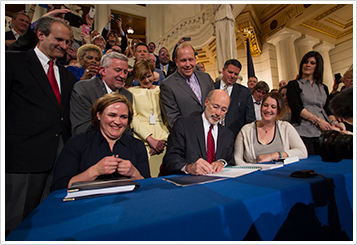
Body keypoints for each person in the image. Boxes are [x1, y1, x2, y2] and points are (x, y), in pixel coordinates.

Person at [5, 16, 77, 235]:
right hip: (22, 158)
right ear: (40, 35)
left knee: (47, 220)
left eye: (67, 42)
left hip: (57, 157)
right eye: (59, 39)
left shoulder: (67, 75)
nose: (63, 46)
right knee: (16, 221)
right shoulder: (13, 62)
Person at [51, 93, 151, 191]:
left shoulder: (137, 145)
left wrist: (134, 173)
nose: (118, 121)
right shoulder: (78, 142)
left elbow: (148, 188)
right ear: (98, 115)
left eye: (123, 117)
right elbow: (58, 186)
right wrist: (95, 171)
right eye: (112, 115)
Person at [163, 89, 235, 175]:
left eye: (223, 110)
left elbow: (230, 162)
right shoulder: (183, 125)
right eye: (215, 107)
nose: (218, 113)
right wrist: (188, 167)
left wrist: (222, 163)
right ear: (206, 102)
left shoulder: (228, 134)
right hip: (190, 182)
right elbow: (170, 159)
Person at [286, 51, 343, 155]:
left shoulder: (323, 87)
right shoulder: (293, 84)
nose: (308, 65)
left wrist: (334, 123)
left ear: (317, 67)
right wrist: (318, 120)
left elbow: (327, 108)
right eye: (305, 62)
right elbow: (296, 107)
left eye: (312, 63)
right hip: (304, 129)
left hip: (324, 131)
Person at [234, 92, 307, 165]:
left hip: (280, 173)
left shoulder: (286, 128)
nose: (268, 110)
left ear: (279, 111)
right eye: (265, 105)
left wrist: (272, 156)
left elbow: (302, 152)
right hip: (254, 174)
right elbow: (237, 158)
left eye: (273, 107)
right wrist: (249, 170)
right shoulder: (246, 130)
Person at [70, 52, 132, 135]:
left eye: (125, 72)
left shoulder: (127, 95)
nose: (123, 76)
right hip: (91, 144)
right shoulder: (84, 89)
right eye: (118, 70)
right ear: (103, 71)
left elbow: (127, 130)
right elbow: (81, 129)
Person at [128, 60, 169, 177]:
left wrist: (162, 140)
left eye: (149, 76)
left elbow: (168, 117)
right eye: (142, 78)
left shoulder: (162, 90)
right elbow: (133, 118)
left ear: (153, 73)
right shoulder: (131, 93)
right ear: (136, 77)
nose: (147, 80)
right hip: (142, 142)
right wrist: (150, 140)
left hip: (163, 142)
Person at [160, 43, 215, 129]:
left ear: (195, 59)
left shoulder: (205, 77)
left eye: (190, 59)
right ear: (176, 62)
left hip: (211, 130)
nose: (188, 64)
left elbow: (214, 103)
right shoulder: (167, 85)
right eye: (183, 60)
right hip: (188, 136)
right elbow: (173, 119)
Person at [214, 59, 255, 138]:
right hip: (212, 136)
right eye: (230, 72)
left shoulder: (245, 92)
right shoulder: (211, 87)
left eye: (236, 74)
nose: (232, 76)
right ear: (223, 70)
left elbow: (250, 119)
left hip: (235, 138)